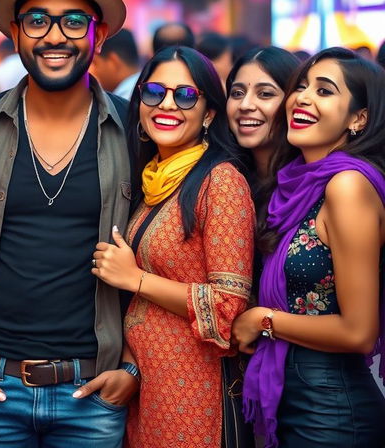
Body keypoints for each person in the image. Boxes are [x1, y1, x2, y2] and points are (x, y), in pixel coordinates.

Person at [0, 0, 136, 447]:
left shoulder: (132, 129)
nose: (54, 37)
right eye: (37, 20)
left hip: (91, 394)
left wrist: (131, 369)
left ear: (101, 33)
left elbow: (157, 256)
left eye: (73, 21)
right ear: (14, 32)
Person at [91, 45, 255, 447]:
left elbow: (227, 307)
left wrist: (135, 279)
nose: (168, 104)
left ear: (209, 113)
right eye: (155, 92)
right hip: (145, 388)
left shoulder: (221, 181)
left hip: (193, 393)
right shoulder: (153, 180)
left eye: (185, 95)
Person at [233, 47, 385, 448]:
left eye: (324, 90)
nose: (302, 98)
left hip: (330, 412)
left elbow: (359, 331)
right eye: (301, 86)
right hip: (295, 397)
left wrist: (264, 320)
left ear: (359, 118)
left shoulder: (348, 186)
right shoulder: (298, 185)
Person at [226, 47, 300, 181]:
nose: (245, 105)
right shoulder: (222, 178)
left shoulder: (314, 184)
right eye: (237, 93)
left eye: (265, 94)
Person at [91, 28, 141, 99]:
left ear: (113, 61)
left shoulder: (125, 100)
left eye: (94, 63)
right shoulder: (145, 89)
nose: (89, 71)